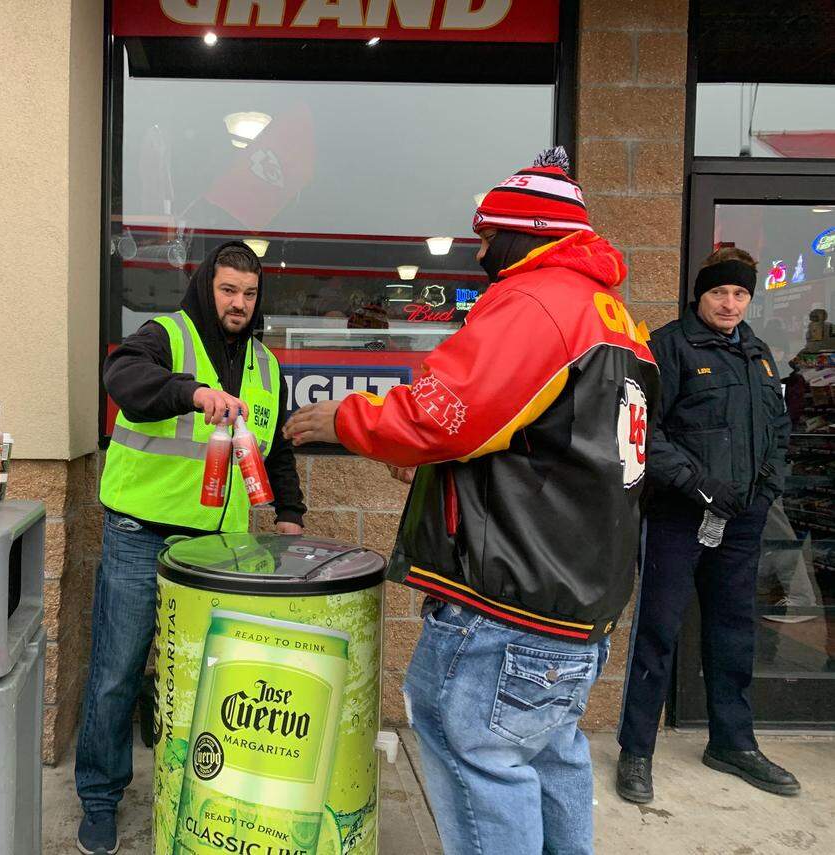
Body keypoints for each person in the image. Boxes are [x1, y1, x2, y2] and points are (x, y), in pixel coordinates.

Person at [284, 148, 659, 855]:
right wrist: (434, 473)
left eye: (486, 237)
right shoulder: (618, 319)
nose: (479, 251)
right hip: (576, 602)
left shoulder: (536, 303)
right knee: (550, 755)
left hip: (510, 603)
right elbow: (544, 451)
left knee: (476, 754)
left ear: (522, 232)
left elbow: (439, 416)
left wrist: (345, 419)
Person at [75, 241, 306, 855]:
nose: (238, 303)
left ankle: (199, 786)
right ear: (209, 288)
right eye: (229, 290)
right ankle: (100, 799)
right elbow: (123, 379)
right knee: (115, 671)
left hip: (215, 546)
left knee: (210, 676)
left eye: (250, 295)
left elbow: (274, 447)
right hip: (139, 533)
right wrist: (194, 393)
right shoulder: (165, 336)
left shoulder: (265, 364)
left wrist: (290, 516)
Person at [616, 247, 799, 805]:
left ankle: (732, 743)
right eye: (720, 292)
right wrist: (697, 485)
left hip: (741, 521)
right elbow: (643, 429)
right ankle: (637, 751)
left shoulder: (758, 354)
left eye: (741, 293)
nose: (730, 302)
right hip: (679, 516)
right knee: (658, 632)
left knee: (734, 633)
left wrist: (766, 488)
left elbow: (778, 428)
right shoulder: (668, 347)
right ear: (700, 294)